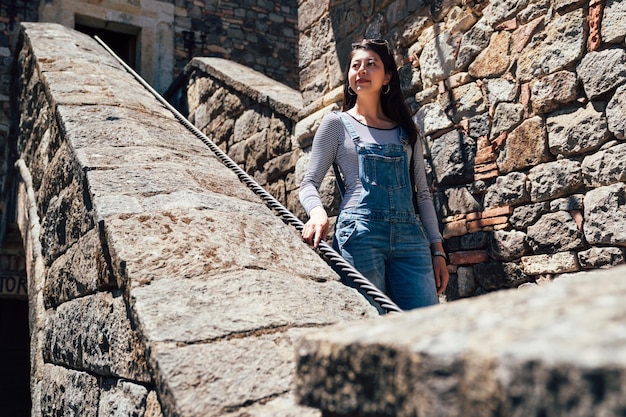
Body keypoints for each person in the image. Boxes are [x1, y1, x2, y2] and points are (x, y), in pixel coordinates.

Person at [299, 38, 449, 312]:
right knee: (370, 323)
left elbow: (423, 195)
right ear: (348, 76)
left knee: (426, 324)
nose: (362, 70)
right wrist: (317, 213)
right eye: (356, 65)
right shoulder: (336, 124)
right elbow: (309, 184)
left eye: (371, 64)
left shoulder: (407, 130)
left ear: (387, 76)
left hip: (411, 243)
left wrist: (437, 249)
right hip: (360, 236)